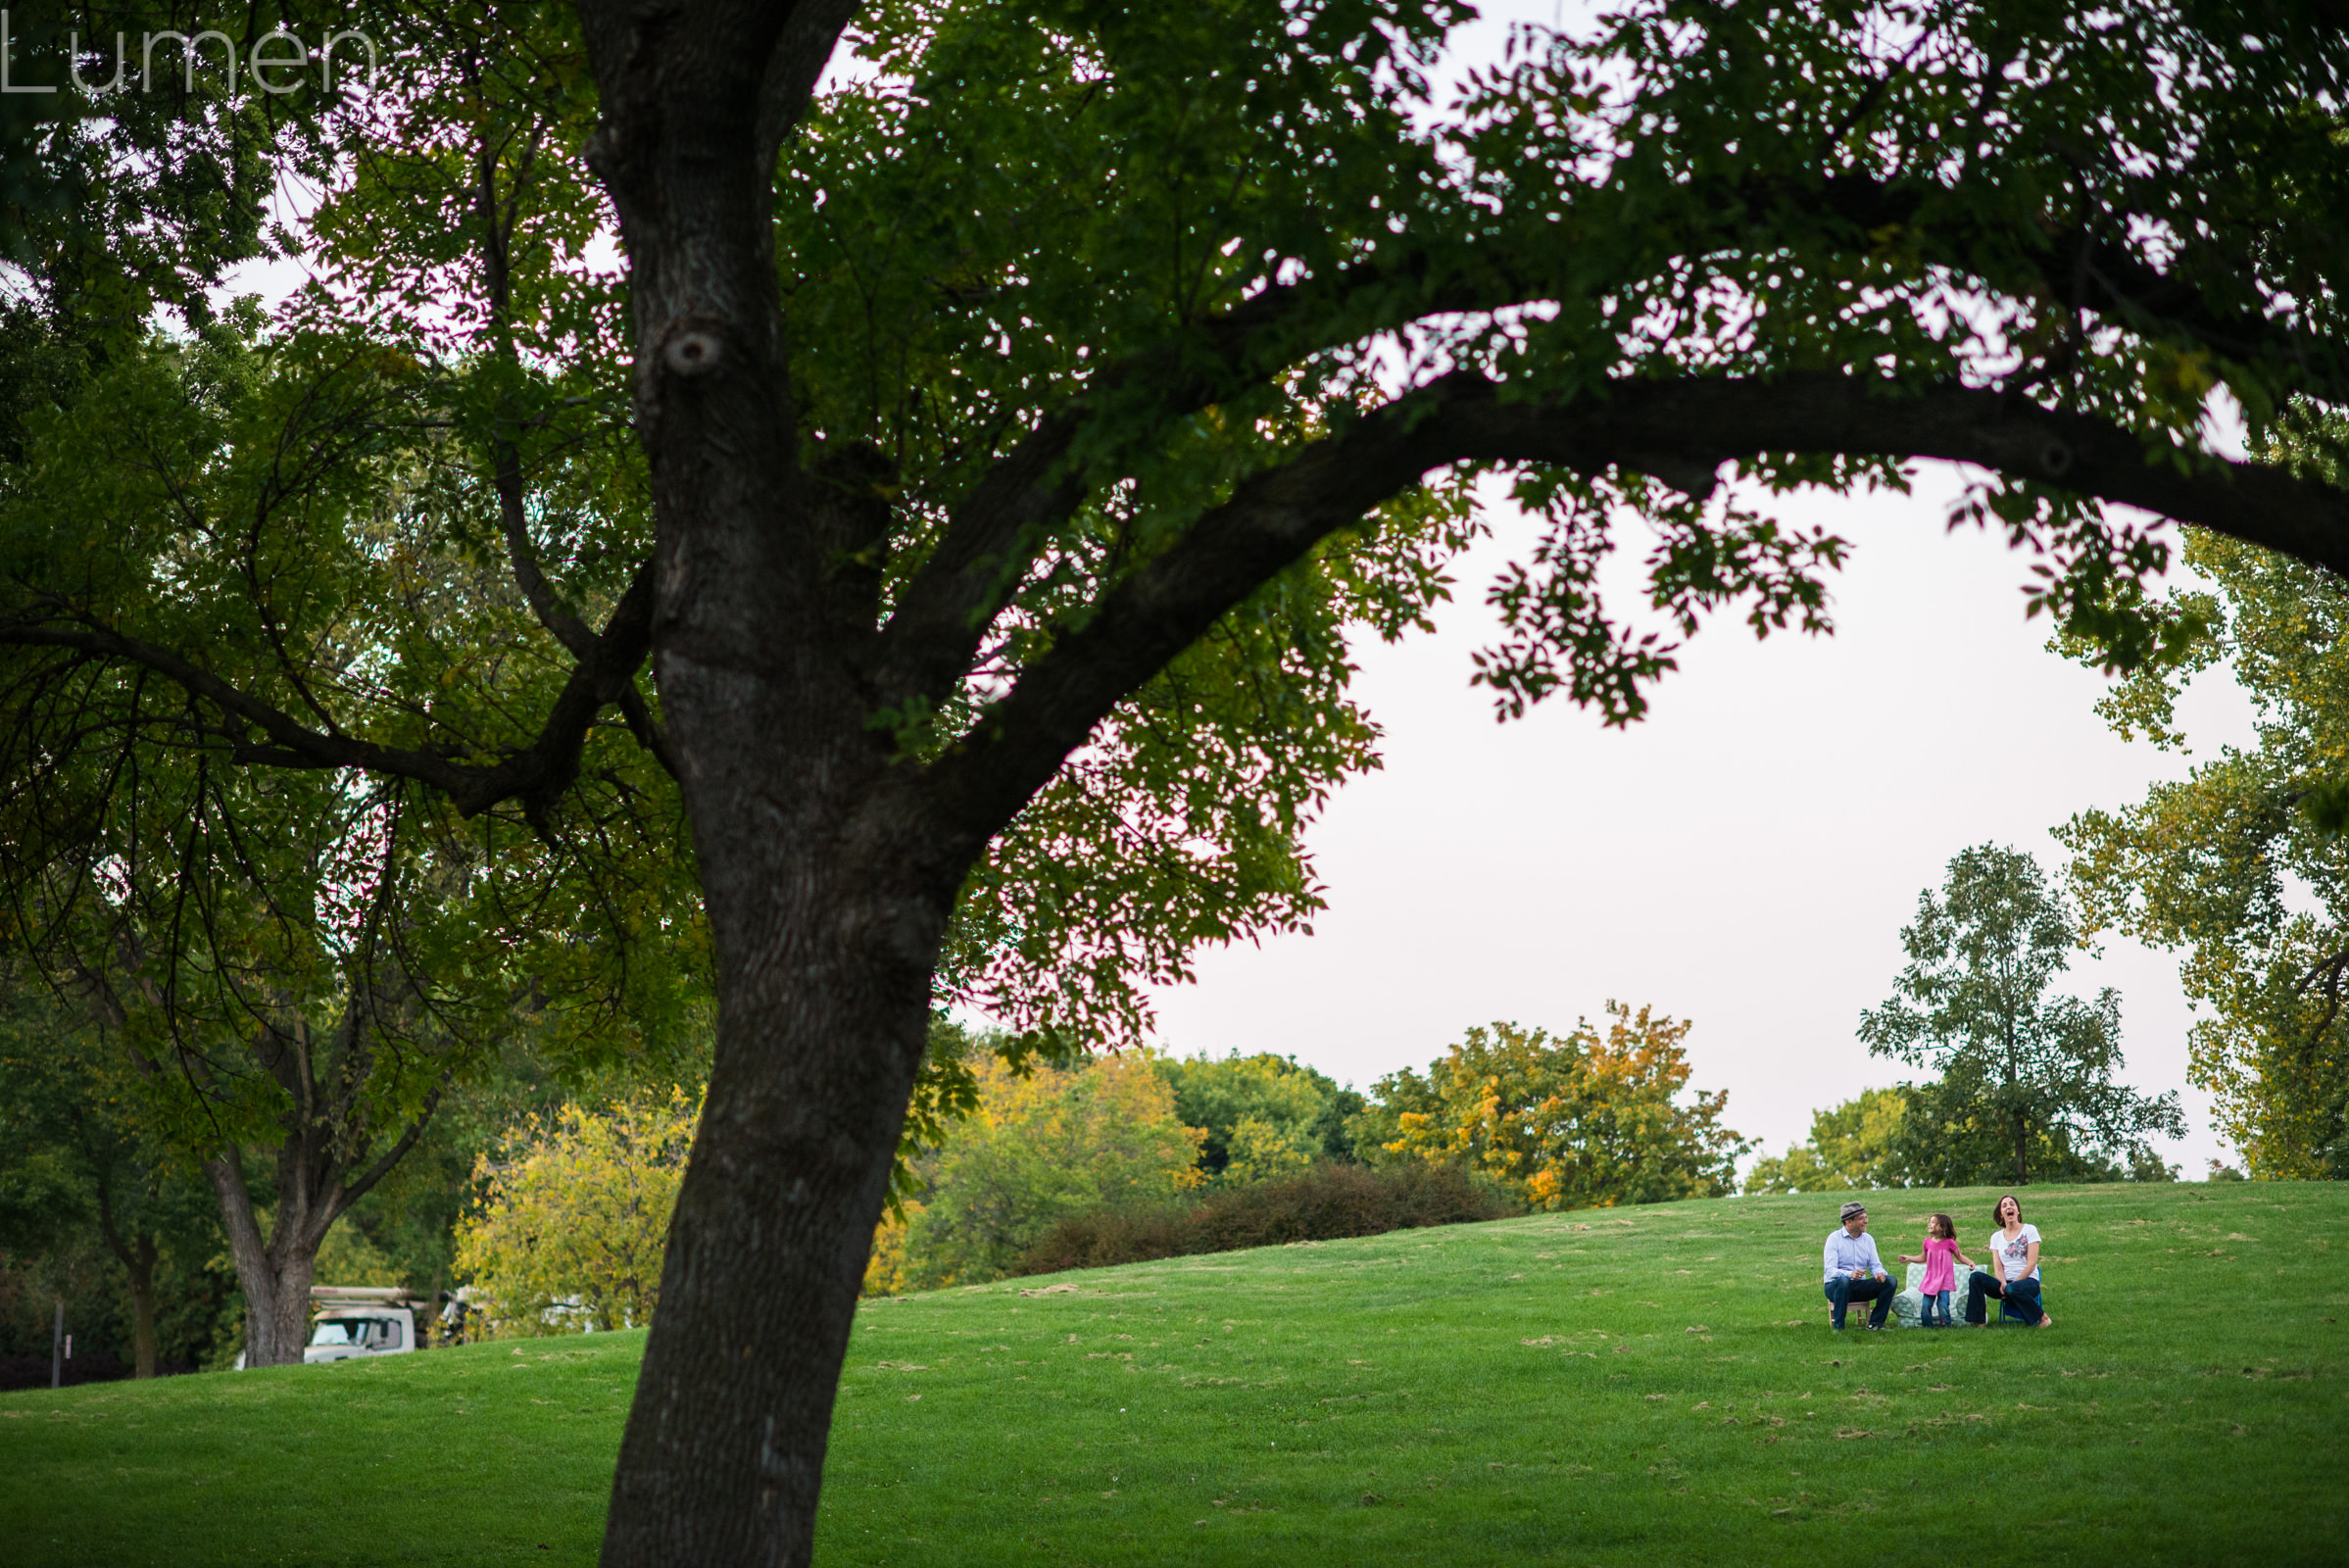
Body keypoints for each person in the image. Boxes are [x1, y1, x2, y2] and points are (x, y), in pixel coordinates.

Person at [1963, 1193, 2053, 1328]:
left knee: (2012, 1288)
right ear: (2001, 1214)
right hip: (2005, 1283)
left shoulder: (2029, 1230)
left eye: (2012, 1204)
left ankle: (2043, 1319)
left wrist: (2013, 1284)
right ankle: (1979, 1323)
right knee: (1976, 1277)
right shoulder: (1996, 1237)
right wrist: (2003, 1283)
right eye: (2004, 1206)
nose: (2008, 1207)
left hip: (2028, 1282)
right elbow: (1998, 1268)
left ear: (2017, 1211)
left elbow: (2031, 1264)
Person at [1821, 1200, 1896, 1330]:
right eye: (1861, 1219)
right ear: (1848, 1221)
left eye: (1865, 1218)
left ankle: (1875, 1324)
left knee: (1890, 1281)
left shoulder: (1868, 1239)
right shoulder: (1834, 1239)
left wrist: (1880, 1273)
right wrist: (1850, 1274)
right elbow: (1830, 1270)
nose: (1866, 1221)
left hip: (1859, 1286)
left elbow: (1875, 1265)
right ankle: (1839, 1328)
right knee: (1843, 1281)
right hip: (1835, 1286)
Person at [1896, 1213, 1972, 1329]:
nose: (1929, 1224)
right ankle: (1927, 1327)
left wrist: (1970, 1263)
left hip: (1945, 1279)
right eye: (1930, 1221)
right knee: (1926, 1305)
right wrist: (1909, 1258)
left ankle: (1945, 1326)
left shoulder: (1949, 1242)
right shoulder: (1927, 1242)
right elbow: (1923, 1258)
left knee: (1943, 1305)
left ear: (1942, 1227)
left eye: (1933, 1222)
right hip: (1931, 1279)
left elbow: (1959, 1256)